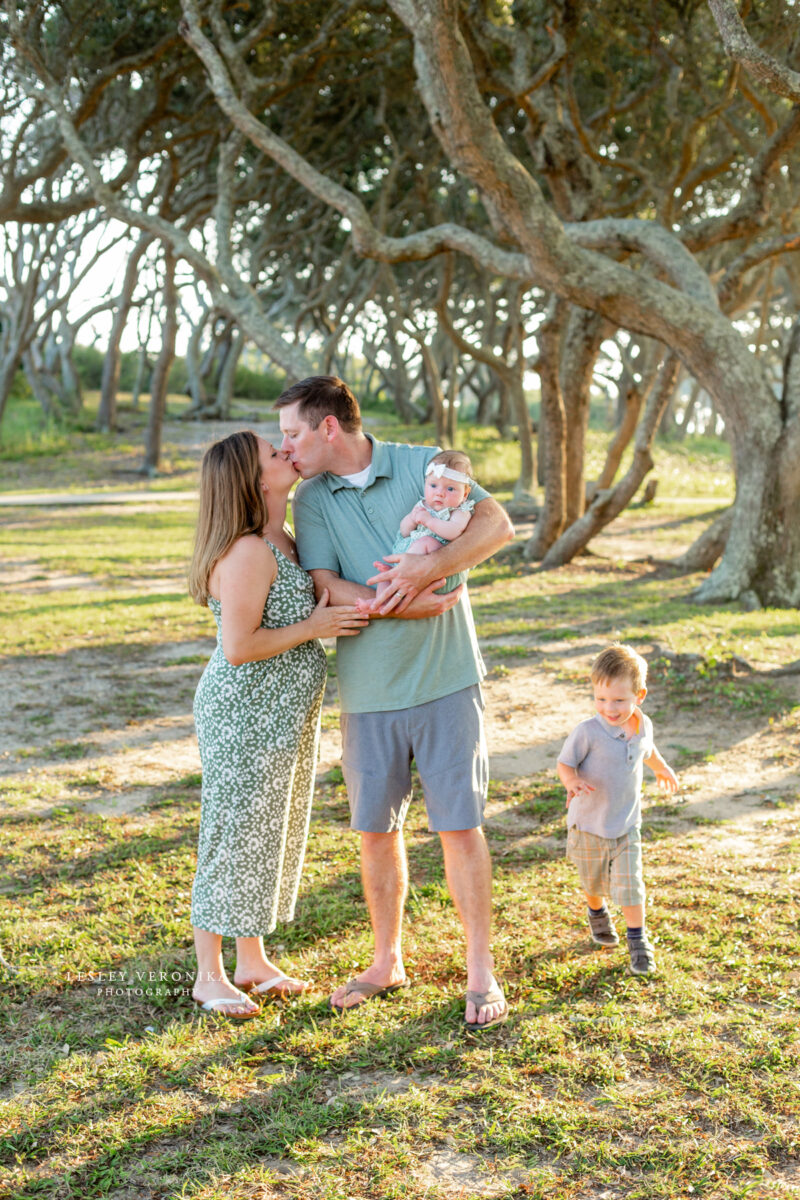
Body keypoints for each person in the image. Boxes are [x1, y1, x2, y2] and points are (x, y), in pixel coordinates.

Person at [277, 376, 515, 1030]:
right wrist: (405, 602)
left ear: (330, 427)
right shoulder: (314, 498)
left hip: (446, 680)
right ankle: (387, 962)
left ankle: (480, 971)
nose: (286, 446)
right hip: (369, 689)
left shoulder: (420, 464)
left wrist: (424, 571)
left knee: (459, 827)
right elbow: (325, 583)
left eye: (293, 433)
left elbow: (496, 524)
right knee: (375, 833)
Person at [187, 430, 368, 1019]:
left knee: (269, 830)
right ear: (256, 479)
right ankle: (208, 975)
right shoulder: (246, 551)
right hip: (244, 712)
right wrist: (315, 628)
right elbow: (238, 646)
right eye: (274, 452)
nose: (287, 452)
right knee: (233, 832)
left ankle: (253, 961)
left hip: (282, 713)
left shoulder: (280, 539)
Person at [556, 644, 678, 976]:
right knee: (593, 882)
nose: (609, 708)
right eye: (601, 699)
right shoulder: (588, 732)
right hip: (589, 824)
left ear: (640, 695)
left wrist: (661, 768)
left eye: (619, 700)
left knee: (630, 883)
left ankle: (638, 941)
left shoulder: (643, 725)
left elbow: (646, 750)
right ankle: (596, 911)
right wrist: (572, 782)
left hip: (626, 824)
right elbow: (565, 764)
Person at [356, 450, 476, 613]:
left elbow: (453, 532)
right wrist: (412, 519)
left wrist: (429, 521)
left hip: (438, 559)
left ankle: (398, 579)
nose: (439, 493)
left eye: (450, 489)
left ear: (465, 493)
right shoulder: (422, 506)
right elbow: (405, 531)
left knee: (426, 542)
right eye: (433, 485)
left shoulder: (460, 511)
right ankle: (379, 603)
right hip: (412, 556)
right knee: (385, 574)